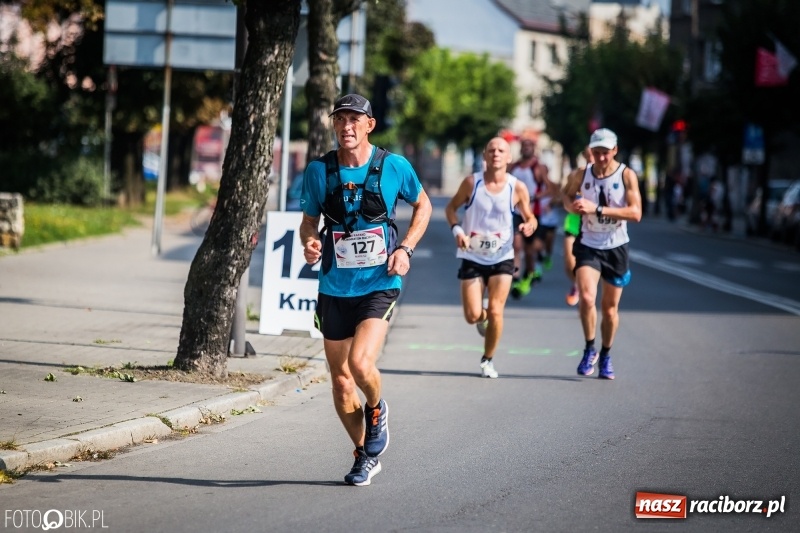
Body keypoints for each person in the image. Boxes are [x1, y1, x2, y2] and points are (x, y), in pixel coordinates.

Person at [299, 93, 432, 486]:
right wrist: (309, 241)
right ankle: (363, 455)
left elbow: (422, 206)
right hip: (334, 286)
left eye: (355, 119)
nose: (347, 126)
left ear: (369, 125)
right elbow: (309, 222)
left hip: (379, 283)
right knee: (340, 382)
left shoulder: (394, 166)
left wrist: (406, 248)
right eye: (340, 119)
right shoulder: (319, 171)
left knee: (360, 365)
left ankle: (376, 408)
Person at [445, 137, 537, 378]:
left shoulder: (516, 187)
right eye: (491, 150)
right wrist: (458, 231)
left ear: (509, 158)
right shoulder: (471, 183)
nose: (496, 153)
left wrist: (530, 225)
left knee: (497, 311)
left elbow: (530, 216)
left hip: (502, 256)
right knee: (472, 316)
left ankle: (488, 360)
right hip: (473, 255)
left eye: (501, 150)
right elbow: (451, 209)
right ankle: (482, 315)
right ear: (485, 156)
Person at [561, 128, 641, 380]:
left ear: (615, 150)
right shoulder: (581, 175)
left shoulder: (626, 176)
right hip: (589, 244)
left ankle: (606, 354)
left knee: (609, 309)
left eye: (605, 152)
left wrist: (596, 208)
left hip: (616, 246)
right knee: (586, 297)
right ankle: (589, 348)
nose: (601, 158)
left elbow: (635, 213)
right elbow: (564, 195)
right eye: (596, 153)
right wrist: (572, 207)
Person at [508, 138, 551, 298]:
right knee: (516, 245)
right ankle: (516, 277)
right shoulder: (514, 167)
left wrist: (535, 196)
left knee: (530, 249)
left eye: (529, 146)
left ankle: (530, 273)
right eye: (524, 146)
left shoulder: (538, 168)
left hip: (534, 214)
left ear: (534, 148)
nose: (526, 148)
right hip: (517, 213)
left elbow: (550, 188)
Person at [563, 147, 594, 306]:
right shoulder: (576, 175)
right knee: (569, 260)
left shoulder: (609, 177)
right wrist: (571, 204)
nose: (593, 157)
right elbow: (565, 195)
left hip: (594, 225)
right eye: (589, 155)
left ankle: (584, 287)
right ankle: (577, 284)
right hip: (574, 221)